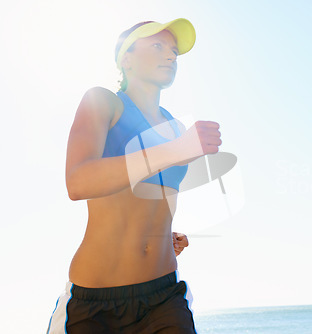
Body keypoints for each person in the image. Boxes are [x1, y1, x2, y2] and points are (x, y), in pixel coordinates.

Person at [46, 18, 222, 334]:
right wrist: (175, 151)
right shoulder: (103, 101)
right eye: (158, 46)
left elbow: (150, 199)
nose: (171, 56)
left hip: (163, 296)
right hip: (95, 305)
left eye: (173, 51)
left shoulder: (174, 127)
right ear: (126, 58)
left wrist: (161, 236)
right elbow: (78, 181)